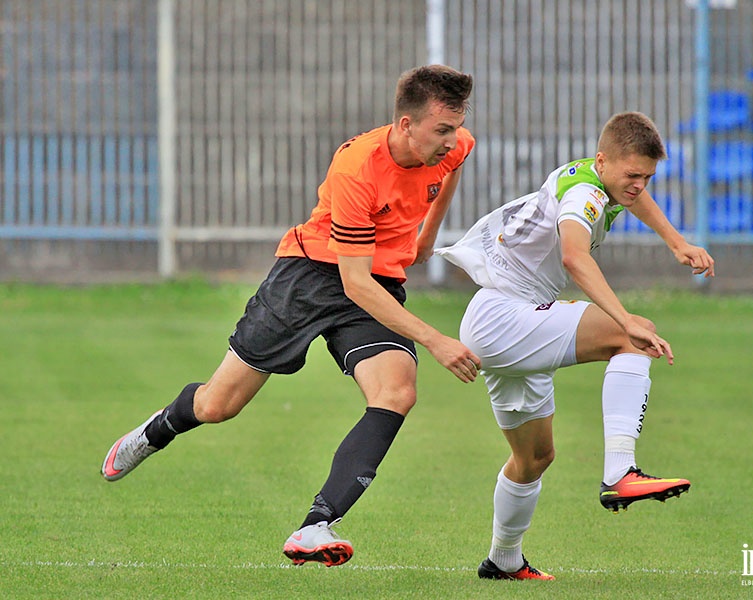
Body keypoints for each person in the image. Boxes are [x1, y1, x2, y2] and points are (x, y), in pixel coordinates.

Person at [101, 64, 482, 568]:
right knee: (219, 405)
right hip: (310, 276)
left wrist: (428, 236)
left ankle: (314, 526)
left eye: (455, 127)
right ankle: (155, 432)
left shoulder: (454, 145)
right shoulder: (356, 168)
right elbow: (353, 283)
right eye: (441, 130)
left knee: (397, 391)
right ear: (405, 124)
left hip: (377, 278)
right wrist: (436, 339)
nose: (451, 140)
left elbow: (450, 169)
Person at [435, 111, 715, 581]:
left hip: (507, 317)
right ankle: (619, 472)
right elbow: (573, 254)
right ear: (604, 161)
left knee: (534, 458)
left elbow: (633, 200)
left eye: (647, 177)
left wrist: (675, 242)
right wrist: (623, 318)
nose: (639, 186)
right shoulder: (584, 194)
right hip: (505, 315)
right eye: (632, 175)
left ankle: (503, 560)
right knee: (631, 336)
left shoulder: (596, 176)